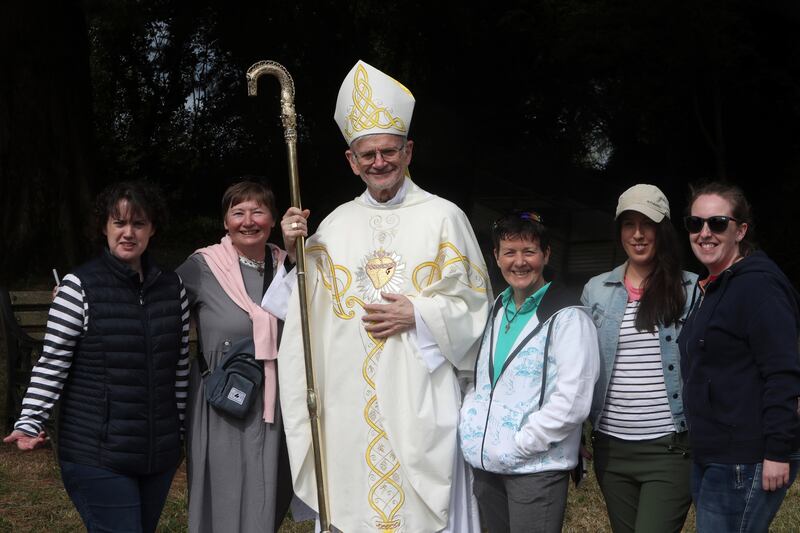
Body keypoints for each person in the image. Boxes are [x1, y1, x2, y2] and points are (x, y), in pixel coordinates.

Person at [267, 60, 491, 532]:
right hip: (350, 405)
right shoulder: (332, 226)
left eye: (388, 151)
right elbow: (304, 314)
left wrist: (421, 312)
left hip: (421, 401)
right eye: (366, 155)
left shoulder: (444, 218)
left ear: (408, 151)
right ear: (351, 160)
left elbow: (475, 307)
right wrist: (293, 254)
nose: (379, 162)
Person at [3, 181, 190, 533]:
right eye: (119, 223)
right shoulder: (78, 287)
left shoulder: (172, 288)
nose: (128, 233)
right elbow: (52, 361)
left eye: (138, 223)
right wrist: (30, 420)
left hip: (158, 453)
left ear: (153, 229)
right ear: (104, 227)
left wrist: (178, 431)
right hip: (95, 452)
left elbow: (178, 367)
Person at [459, 211, 600, 533]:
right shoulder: (497, 307)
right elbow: (482, 379)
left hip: (535, 467)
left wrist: (522, 443)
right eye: (509, 252)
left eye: (529, 252)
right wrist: (471, 424)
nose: (519, 262)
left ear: (546, 255)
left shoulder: (568, 316)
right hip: (487, 463)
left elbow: (574, 399)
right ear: (496, 257)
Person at [679, 181, 800, 532]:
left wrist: (777, 451)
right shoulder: (716, 284)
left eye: (717, 223)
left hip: (747, 456)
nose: (704, 233)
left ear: (740, 230)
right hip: (715, 453)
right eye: (695, 223)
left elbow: (783, 374)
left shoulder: (758, 286)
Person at [176, 180, 293, 533]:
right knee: (223, 493)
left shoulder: (289, 267)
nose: (248, 220)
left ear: (272, 219)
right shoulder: (203, 266)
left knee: (269, 489)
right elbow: (155, 300)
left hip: (277, 398)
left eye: (258, 211)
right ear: (225, 221)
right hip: (220, 399)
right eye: (238, 212)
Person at [580, 184, 696, 532]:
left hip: (670, 449)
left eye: (648, 223)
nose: (638, 234)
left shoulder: (690, 289)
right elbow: (578, 368)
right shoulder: (596, 289)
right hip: (611, 450)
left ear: (663, 229)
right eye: (629, 224)